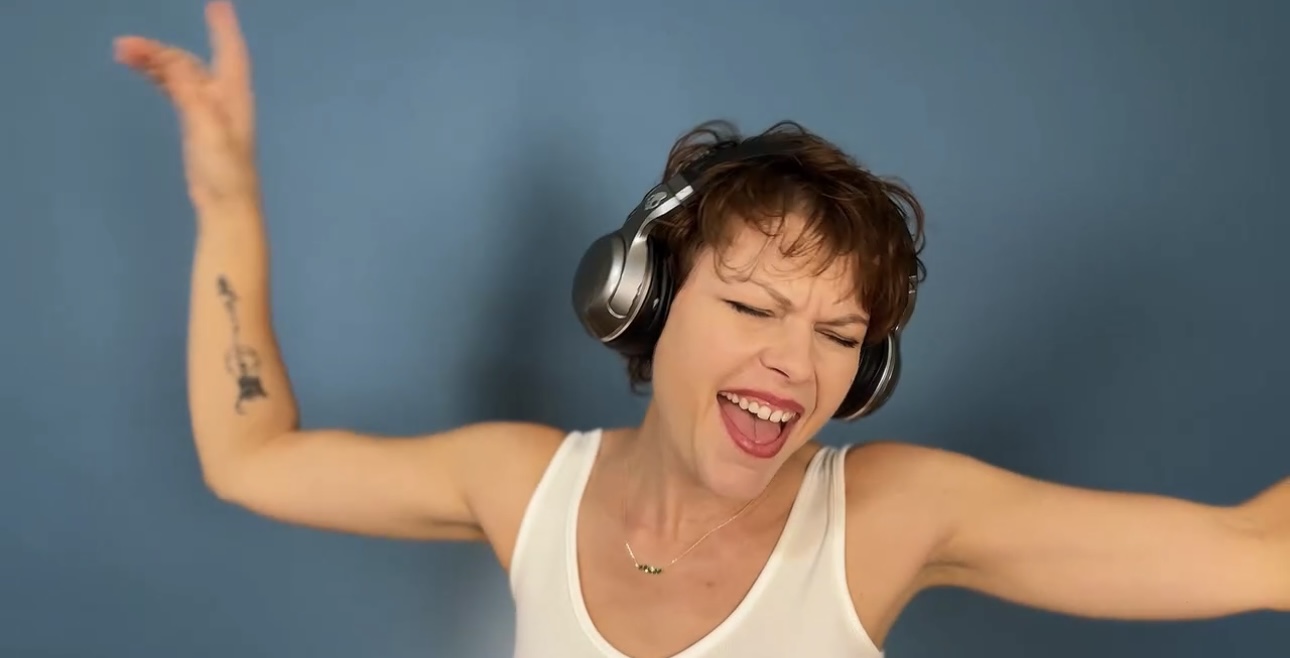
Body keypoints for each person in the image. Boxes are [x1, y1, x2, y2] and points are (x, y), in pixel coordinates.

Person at [114, 2, 1288, 656]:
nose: (796, 362)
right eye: (753, 305)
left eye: (840, 333)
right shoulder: (525, 487)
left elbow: (1258, 553)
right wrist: (228, 199)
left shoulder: (889, 514)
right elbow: (252, 456)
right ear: (647, 298)